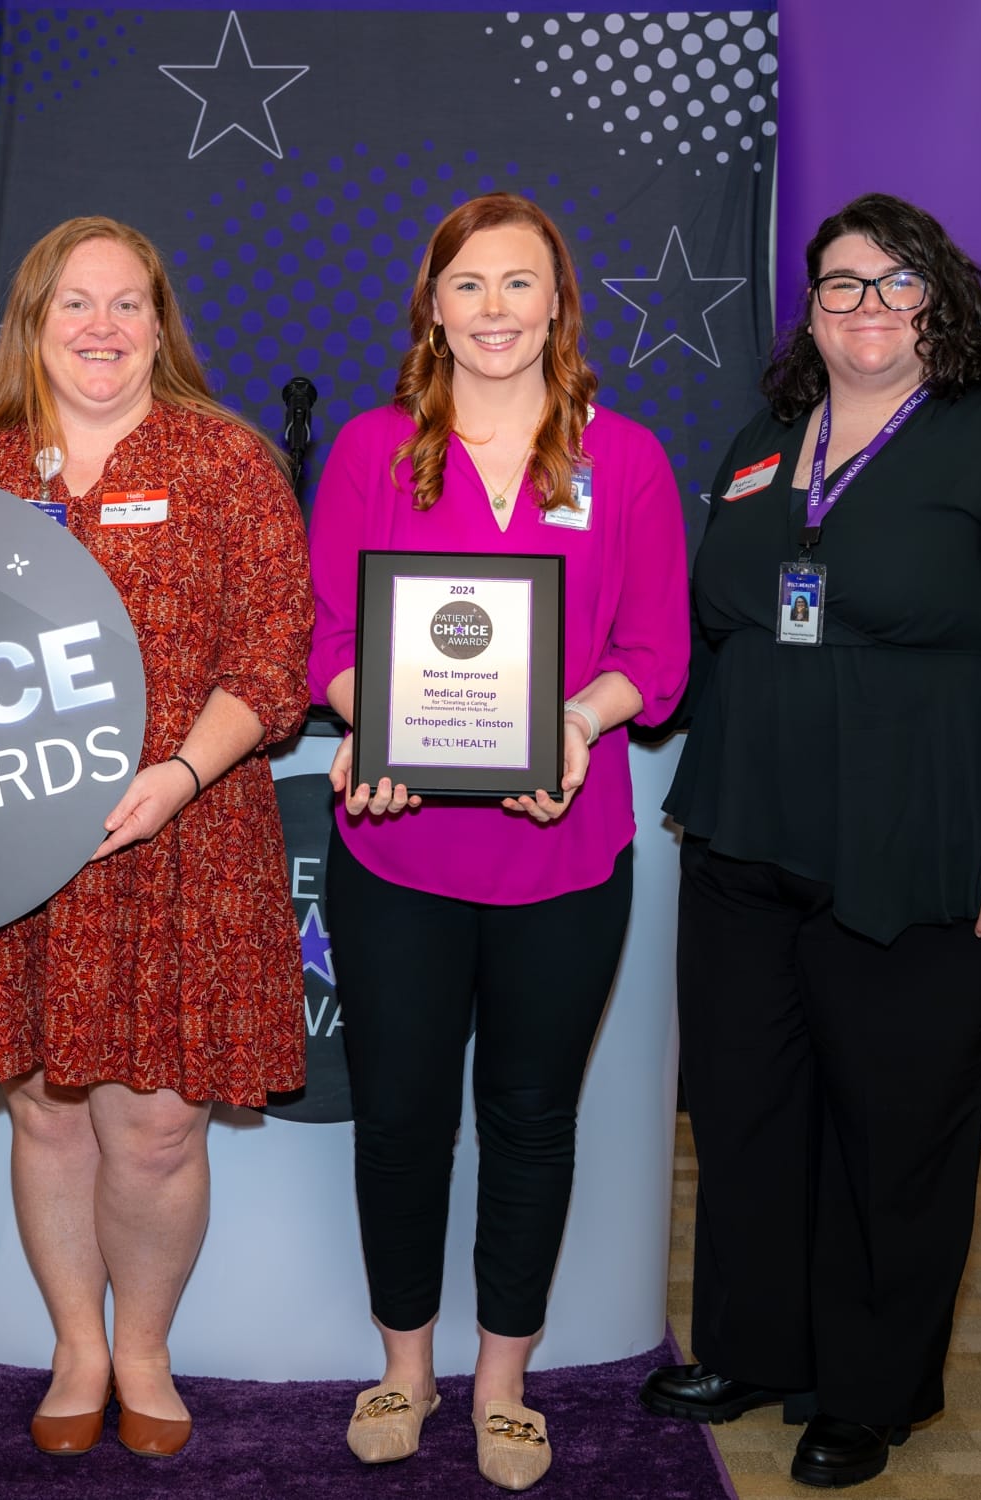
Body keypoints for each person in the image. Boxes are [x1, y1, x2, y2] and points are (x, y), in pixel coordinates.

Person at [639, 193, 981, 1488]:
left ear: (938, 302)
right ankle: (752, 1345)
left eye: (892, 283)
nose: (864, 305)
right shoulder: (761, 441)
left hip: (921, 844)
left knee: (893, 1128)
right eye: (839, 284)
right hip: (745, 838)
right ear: (811, 310)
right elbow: (715, 616)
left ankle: (867, 1388)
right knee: (744, 1108)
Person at [0, 217, 312, 1459]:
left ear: (162, 322)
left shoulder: (225, 459)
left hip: (181, 834)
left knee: (158, 1121)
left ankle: (145, 1349)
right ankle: (76, 1343)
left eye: (129, 305)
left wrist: (176, 774)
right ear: (29, 321)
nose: (103, 329)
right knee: (46, 1110)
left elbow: (275, 654)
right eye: (75, 304)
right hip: (6, 858)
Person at [307, 193, 689, 1492]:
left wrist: (576, 726)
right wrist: (382, 728)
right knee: (403, 1121)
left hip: (565, 854)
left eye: (518, 285)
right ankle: (405, 1369)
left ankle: (503, 1384)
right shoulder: (372, 450)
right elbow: (333, 647)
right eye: (467, 286)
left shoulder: (620, 460)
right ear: (432, 305)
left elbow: (659, 658)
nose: (492, 312)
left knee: (531, 1117)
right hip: (397, 859)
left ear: (557, 305)